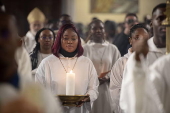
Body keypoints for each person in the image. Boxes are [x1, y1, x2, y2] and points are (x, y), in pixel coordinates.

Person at [0, 12, 63, 113]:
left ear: (19, 43)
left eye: (4, 33)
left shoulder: (41, 98)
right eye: (44, 37)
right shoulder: (31, 56)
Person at [35, 24, 99, 113]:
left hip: (79, 109)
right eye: (65, 38)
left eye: (73, 39)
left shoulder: (86, 63)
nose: (70, 42)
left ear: (78, 41)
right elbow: (38, 88)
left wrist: (87, 98)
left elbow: (93, 88)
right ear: (59, 40)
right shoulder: (47, 62)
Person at [119, 3, 166, 113]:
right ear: (151, 23)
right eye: (160, 18)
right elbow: (126, 99)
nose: (166, 22)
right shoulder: (138, 56)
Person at [109, 24, 149, 113]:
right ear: (130, 40)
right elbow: (115, 90)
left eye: (145, 38)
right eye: (137, 38)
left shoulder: (153, 61)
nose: (141, 41)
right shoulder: (121, 63)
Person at [83, 19, 120, 113]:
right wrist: (93, 79)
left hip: (107, 89)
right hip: (89, 89)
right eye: (94, 28)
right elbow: (80, 70)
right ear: (90, 31)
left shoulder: (112, 48)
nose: (98, 30)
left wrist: (108, 78)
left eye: (101, 28)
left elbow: (119, 69)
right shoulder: (85, 49)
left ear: (105, 30)